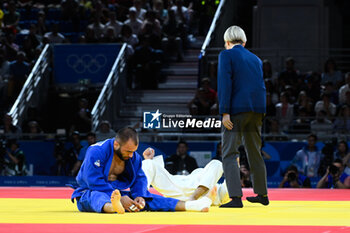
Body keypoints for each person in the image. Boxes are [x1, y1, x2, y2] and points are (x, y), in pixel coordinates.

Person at [71, 127, 211, 214]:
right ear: (116, 144)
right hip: (90, 190)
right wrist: (118, 196)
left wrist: (139, 196)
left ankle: (189, 205)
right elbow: (92, 181)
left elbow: (140, 178)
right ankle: (114, 206)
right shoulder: (97, 151)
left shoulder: (134, 157)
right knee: (96, 197)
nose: (131, 155)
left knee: (150, 199)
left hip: (118, 192)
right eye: (128, 151)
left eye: (133, 151)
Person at [217, 25, 268, 208]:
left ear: (227, 42)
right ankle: (262, 194)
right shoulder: (256, 59)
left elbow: (224, 83)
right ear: (244, 42)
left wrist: (224, 112)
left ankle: (236, 198)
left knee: (230, 153)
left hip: (236, 109)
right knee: (254, 151)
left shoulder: (226, 55)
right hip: (257, 109)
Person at [142, 148, 229, 206]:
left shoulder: (220, 191)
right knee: (148, 163)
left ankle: (193, 198)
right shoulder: (203, 174)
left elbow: (230, 189)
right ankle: (141, 197)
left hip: (196, 196)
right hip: (175, 188)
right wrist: (149, 160)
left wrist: (235, 166)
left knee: (217, 164)